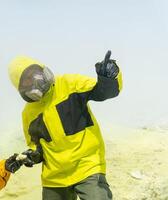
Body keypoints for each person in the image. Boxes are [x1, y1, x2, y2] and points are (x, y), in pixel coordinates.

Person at [8, 51, 122, 200]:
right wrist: (31, 156)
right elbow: (37, 147)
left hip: (86, 166)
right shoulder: (28, 113)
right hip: (55, 178)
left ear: (42, 69)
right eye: (27, 80)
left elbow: (102, 92)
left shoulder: (69, 84)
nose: (35, 79)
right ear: (21, 88)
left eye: (34, 73)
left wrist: (108, 77)